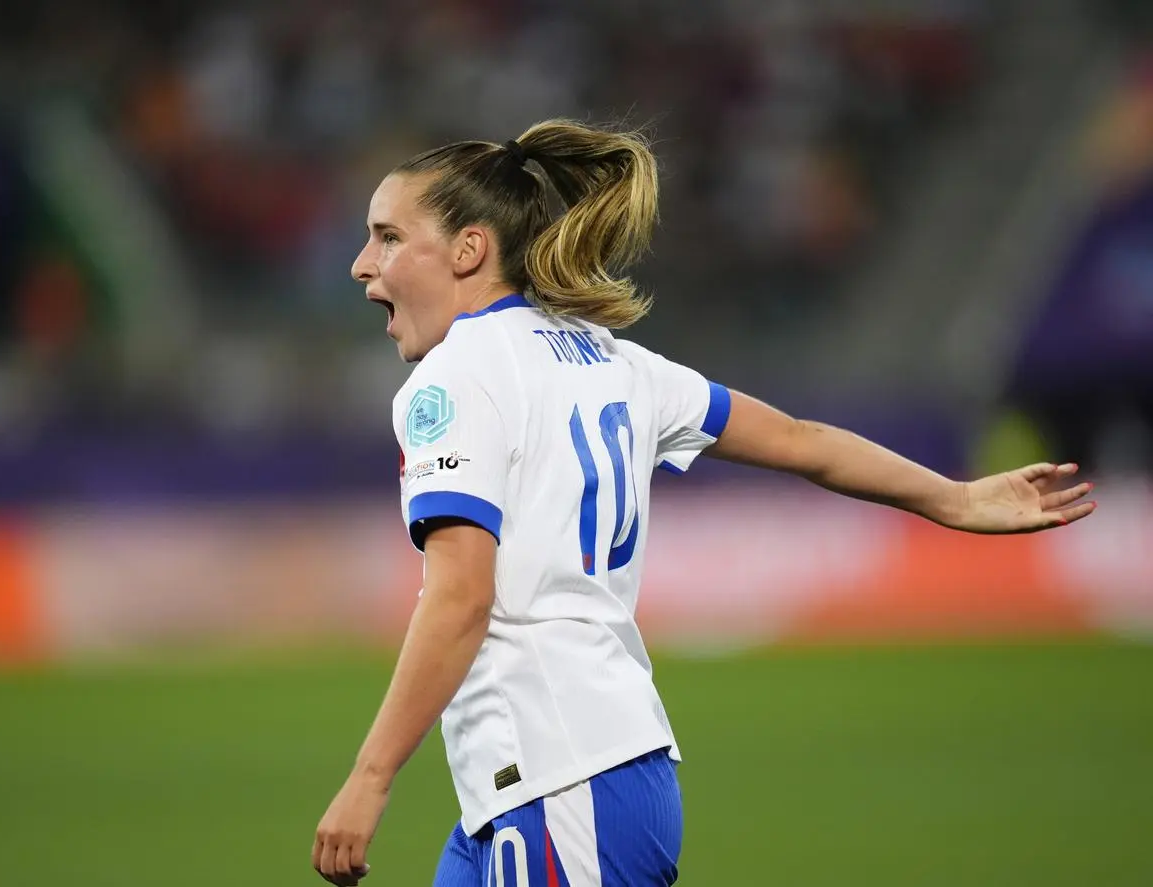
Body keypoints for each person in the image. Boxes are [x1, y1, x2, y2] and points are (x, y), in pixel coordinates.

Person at [311, 119, 1096, 886]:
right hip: (585, 772)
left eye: (385, 236)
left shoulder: (455, 376)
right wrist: (952, 497)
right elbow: (800, 439)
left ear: (468, 248)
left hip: (559, 779)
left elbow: (459, 596)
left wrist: (370, 776)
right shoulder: (611, 358)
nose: (360, 263)